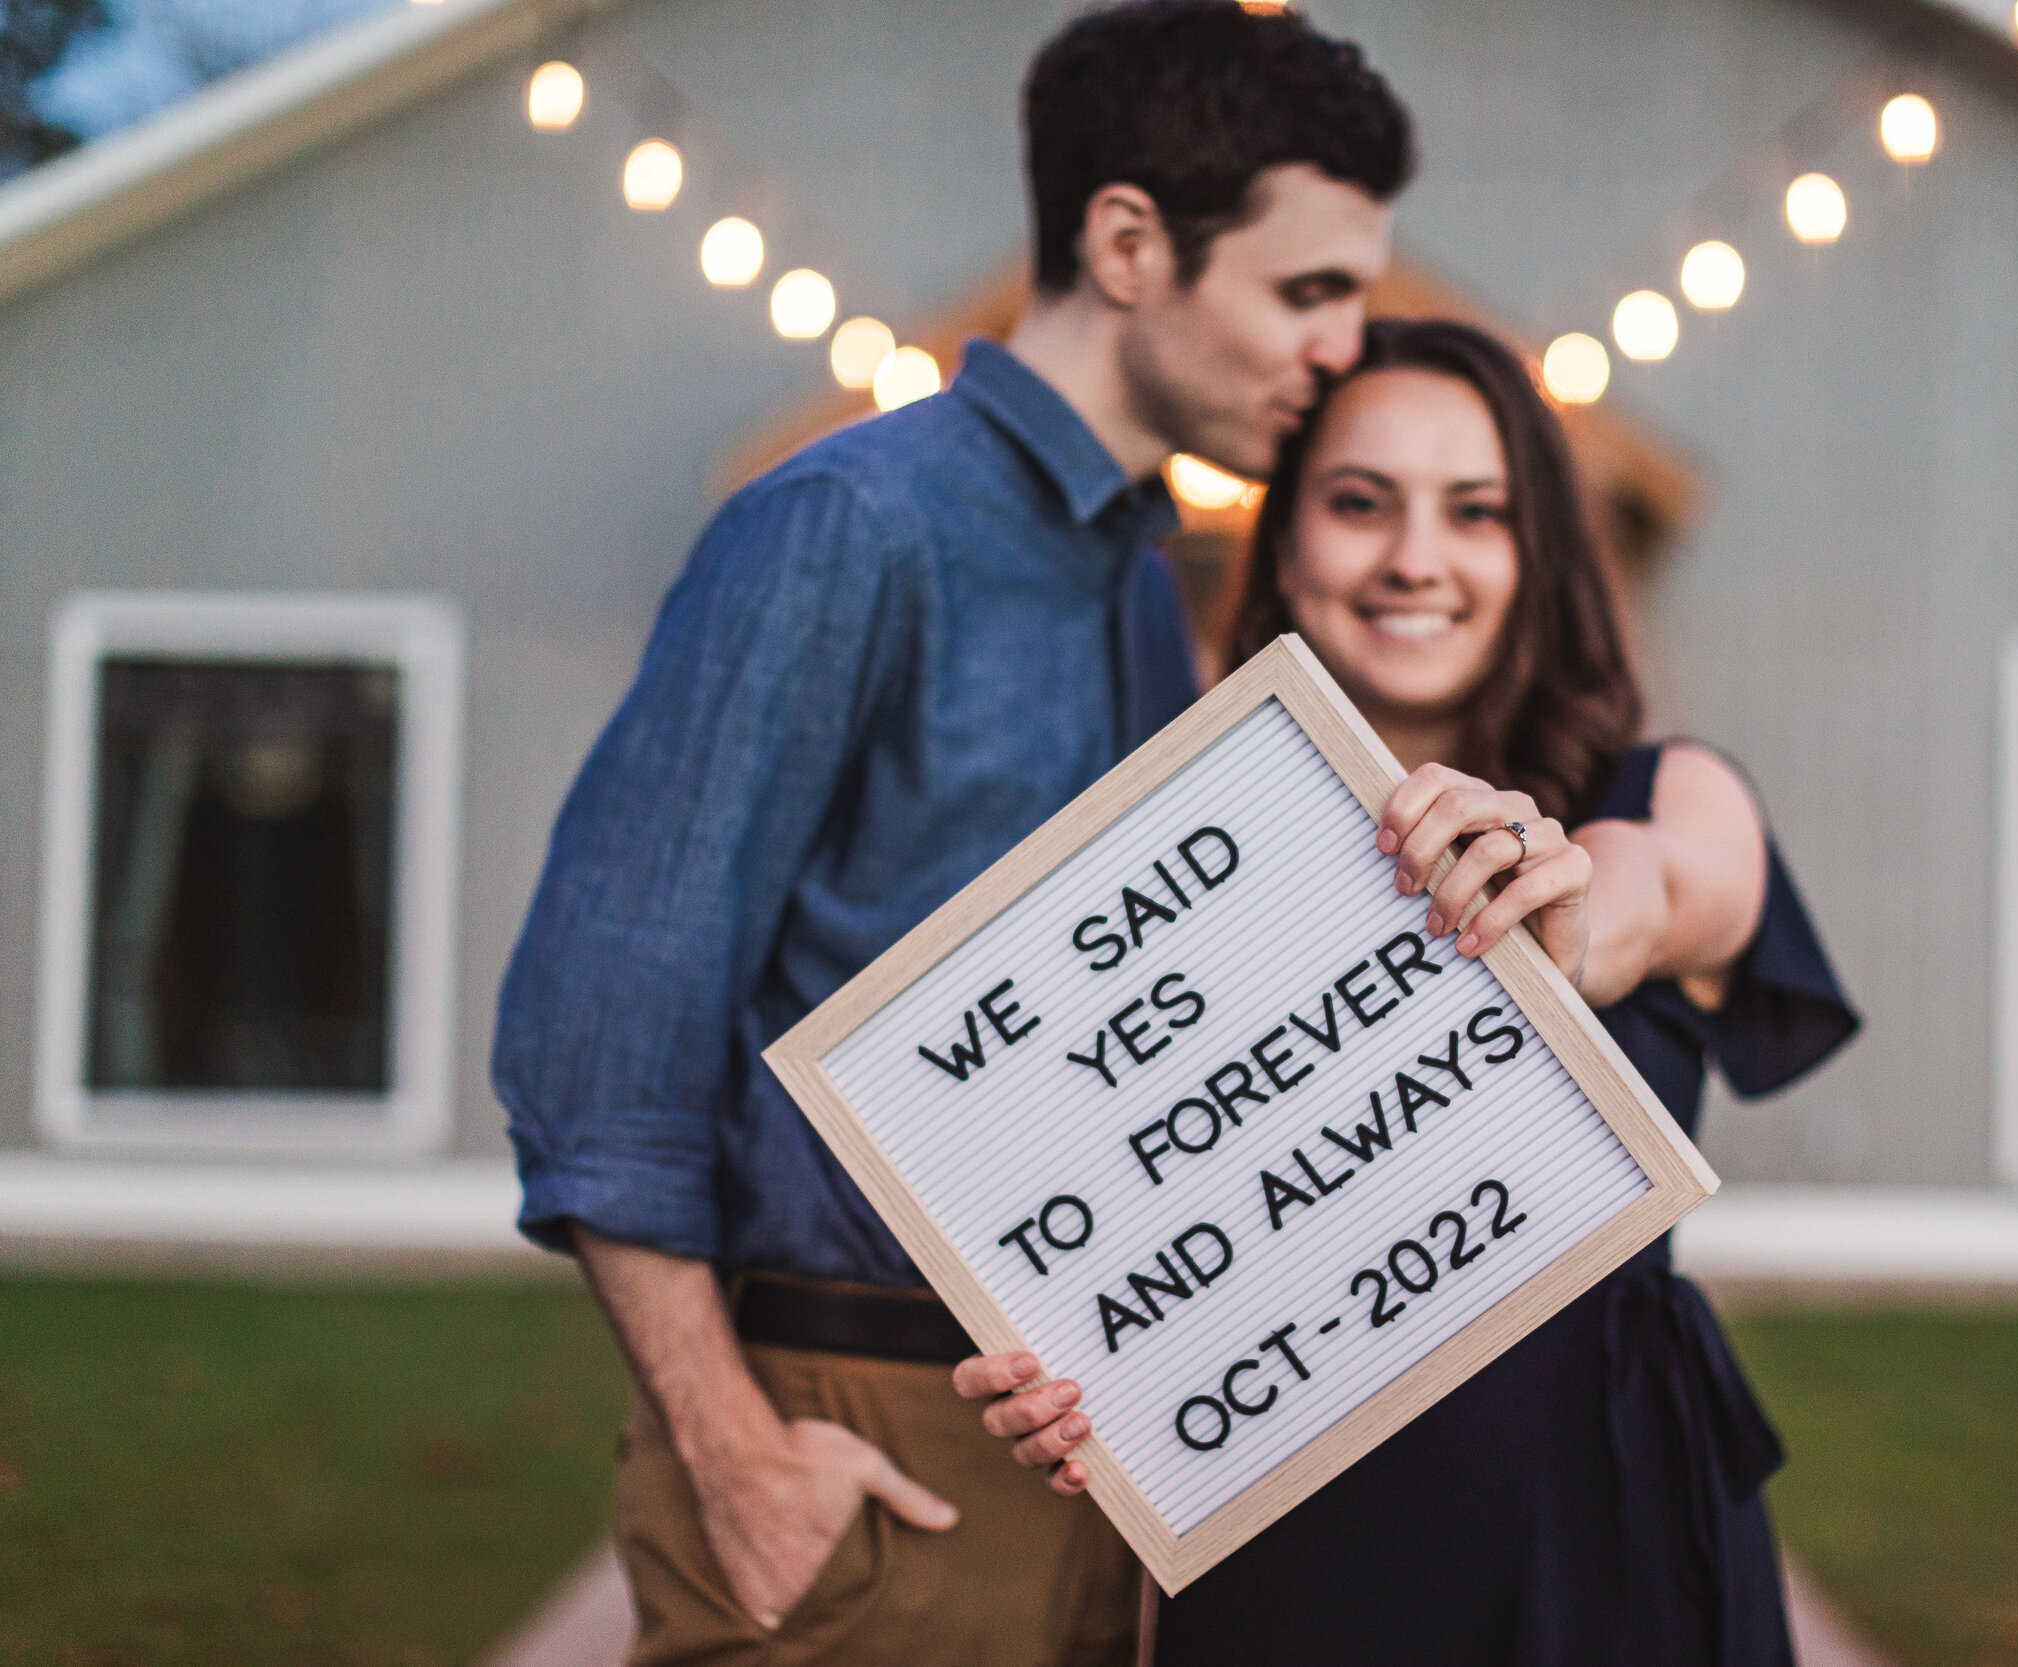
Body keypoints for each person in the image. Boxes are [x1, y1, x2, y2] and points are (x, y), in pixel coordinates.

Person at [491, 6, 1413, 1663]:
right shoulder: (846, 528)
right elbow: (595, 1044)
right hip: (854, 1435)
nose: (1342, 347)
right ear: (1129, 242)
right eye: (1306, 290)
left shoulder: (1137, 577)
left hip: (1076, 1440)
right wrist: (741, 1457)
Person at [957, 318, 1859, 1666]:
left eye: (1476, 511)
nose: (1413, 559)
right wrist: (1081, 1367)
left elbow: (1651, 895)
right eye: (1359, 504)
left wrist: (1557, 902)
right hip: (1290, 1532)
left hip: (1598, 1537)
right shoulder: (1174, 872)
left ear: (1538, 553)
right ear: (1287, 541)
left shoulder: (1665, 797)